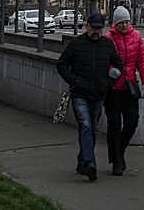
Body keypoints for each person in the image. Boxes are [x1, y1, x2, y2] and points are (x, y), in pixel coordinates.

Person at [56, 12, 122, 181]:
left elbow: (118, 66)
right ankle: (90, 163)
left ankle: (82, 161)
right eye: (93, 28)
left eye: (99, 29)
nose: (96, 32)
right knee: (85, 125)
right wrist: (74, 81)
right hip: (80, 93)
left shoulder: (107, 45)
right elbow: (61, 64)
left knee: (91, 129)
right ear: (87, 27)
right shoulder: (76, 44)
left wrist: (109, 82)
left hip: (99, 94)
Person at [104, 5, 144, 176]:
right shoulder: (108, 38)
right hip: (113, 89)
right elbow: (103, 59)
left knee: (132, 122)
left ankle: (119, 151)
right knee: (114, 124)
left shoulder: (137, 37)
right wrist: (110, 70)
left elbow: (142, 61)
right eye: (121, 23)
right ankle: (117, 161)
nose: (124, 25)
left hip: (130, 87)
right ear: (115, 24)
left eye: (126, 22)